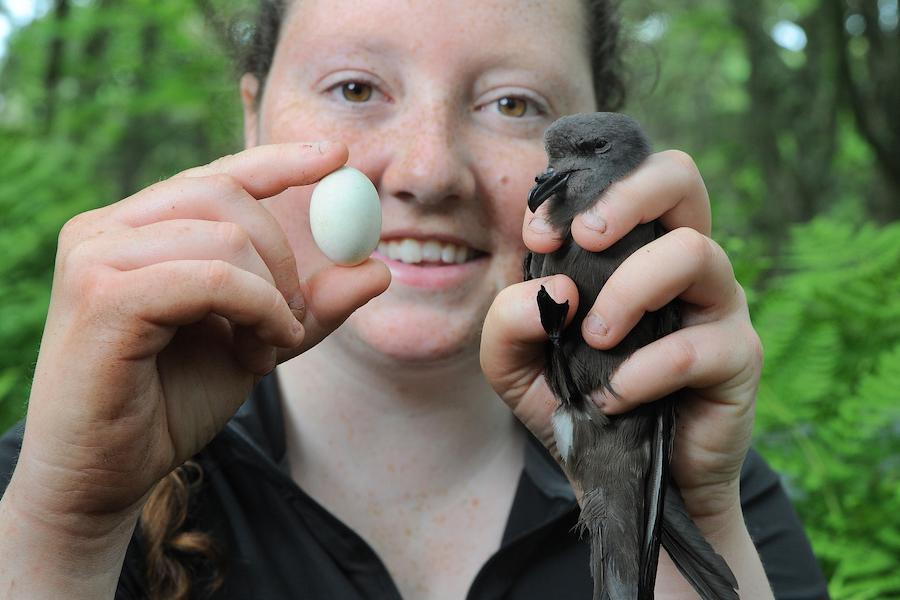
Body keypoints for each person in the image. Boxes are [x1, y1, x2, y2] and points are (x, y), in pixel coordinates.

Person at [0, 0, 829, 598]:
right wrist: (66, 533)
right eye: (356, 89)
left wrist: (659, 503)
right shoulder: (55, 490)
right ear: (252, 122)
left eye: (513, 105)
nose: (429, 171)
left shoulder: (719, 497)